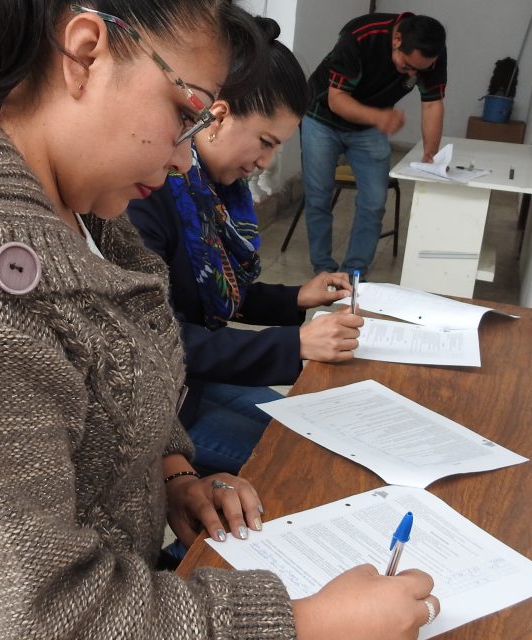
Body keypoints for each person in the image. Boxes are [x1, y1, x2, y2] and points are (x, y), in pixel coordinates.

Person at [0, 1, 438, 638]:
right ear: (85, 52)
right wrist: (305, 622)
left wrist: (170, 471)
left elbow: (126, 345)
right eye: (186, 111)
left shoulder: (57, 189)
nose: (180, 158)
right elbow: (47, 618)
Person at [127, 17, 362, 475]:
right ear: (218, 116)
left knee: (321, 437)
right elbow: (165, 338)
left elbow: (215, 290)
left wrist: (296, 297)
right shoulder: (146, 195)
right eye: (265, 142)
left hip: (194, 383)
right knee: (298, 468)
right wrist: (295, 344)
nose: (265, 163)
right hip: (163, 411)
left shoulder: (210, 195)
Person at [301, 12, 447, 275]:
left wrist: (431, 152)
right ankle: (323, 270)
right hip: (321, 118)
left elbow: (433, 102)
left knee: (374, 201)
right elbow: (337, 100)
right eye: (407, 65)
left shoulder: (430, 52)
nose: (413, 73)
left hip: (369, 127)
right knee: (318, 197)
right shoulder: (360, 36)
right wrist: (381, 118)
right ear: (397, 40)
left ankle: (355, 272)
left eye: (420, 69)